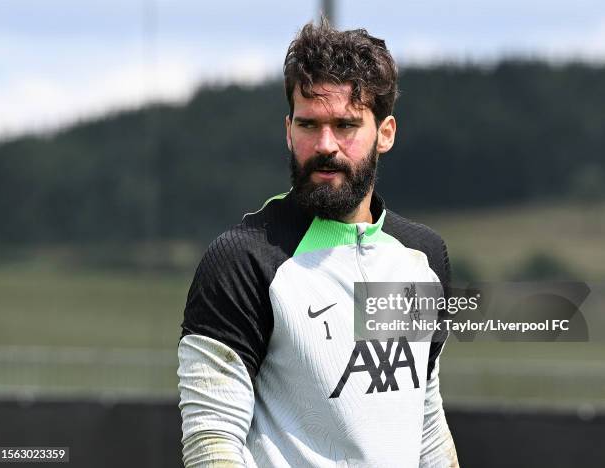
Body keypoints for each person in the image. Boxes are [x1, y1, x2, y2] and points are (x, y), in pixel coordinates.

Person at [178, 20, 459, 468]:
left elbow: (423, 421)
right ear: (289, 130)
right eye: (309, 124)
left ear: (385, 132)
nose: (325, 145)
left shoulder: (421, 257)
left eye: (346, 125)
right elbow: (211, 445)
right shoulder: (243, 260)